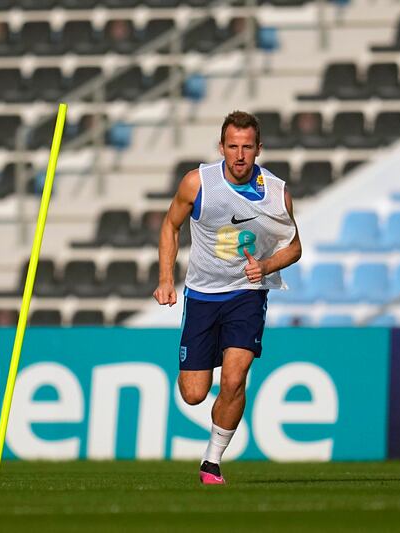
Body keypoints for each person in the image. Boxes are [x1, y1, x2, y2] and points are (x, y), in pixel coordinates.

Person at [153, 110, 301, 485]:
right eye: (232, 146)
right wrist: (166, 279)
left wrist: (266, 266)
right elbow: (170, 226)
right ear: (221, 147)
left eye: (247, 147)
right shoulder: (197, 183)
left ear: (258, 149)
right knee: (193, 394)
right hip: (202, 295)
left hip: (246, 294)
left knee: (235, 379)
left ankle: (212, 462)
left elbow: (295, 247)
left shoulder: (277, 194)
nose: (239, 155)